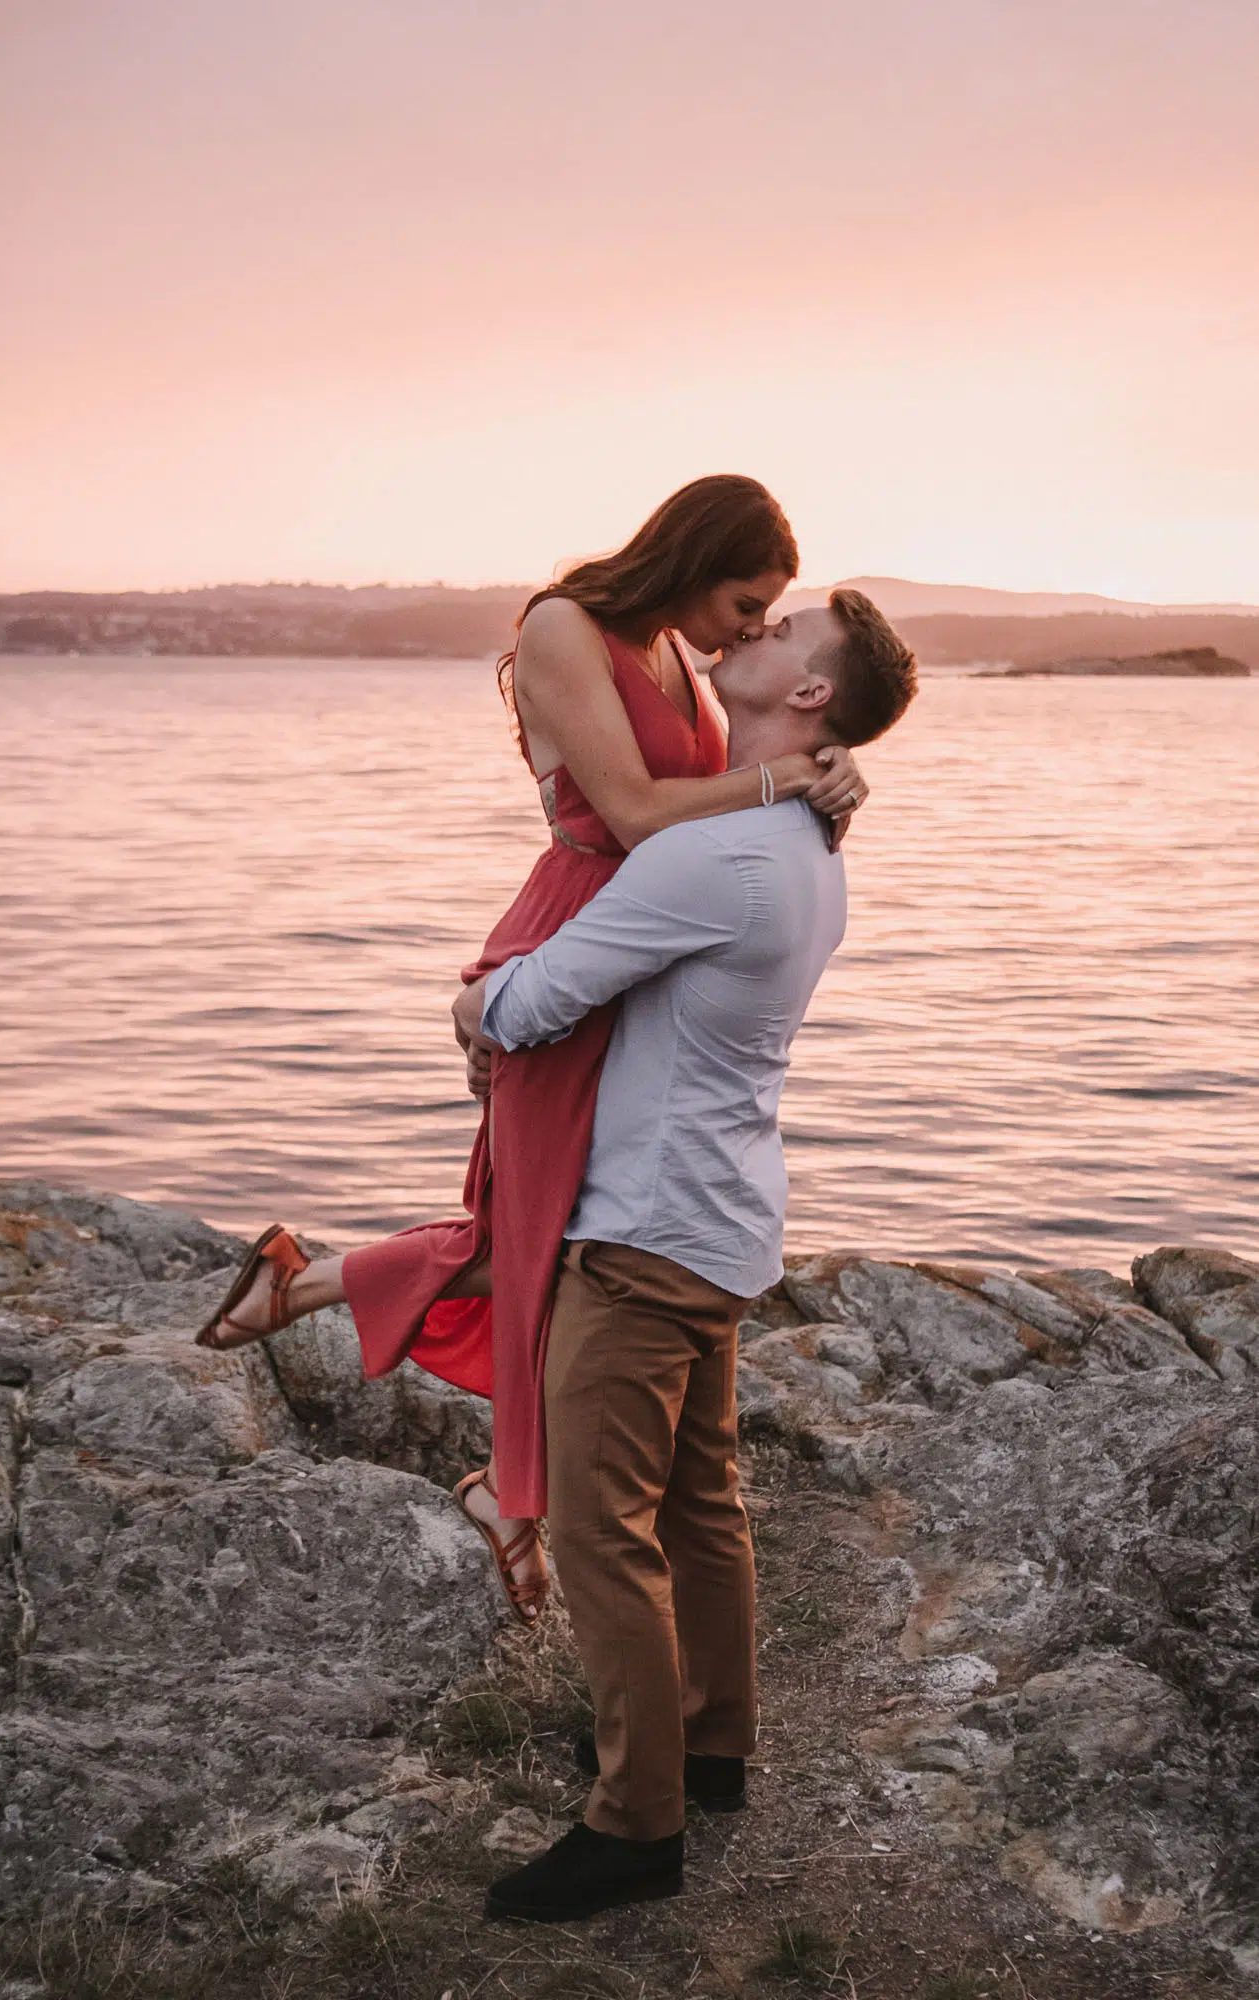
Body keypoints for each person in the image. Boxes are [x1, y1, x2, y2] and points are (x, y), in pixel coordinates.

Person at [194, 476, 868, 1624]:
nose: (752, 626)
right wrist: (782, 779)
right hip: (578, 941)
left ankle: (317, 1301)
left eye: (772, 614)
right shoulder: (566, 628)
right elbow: (640, 810)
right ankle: (501, 1483)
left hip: (644, 947)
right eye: (747, 599)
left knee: (561, 1230)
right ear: (695, 558)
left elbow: (716, 803)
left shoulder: (671, 654)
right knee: (547, 1228)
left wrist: (831, 777)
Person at [448, 592, 918, 1923]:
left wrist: (468, 998)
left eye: (784, 629)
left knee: (605, 1536)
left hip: (643, 1230)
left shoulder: (711, 855)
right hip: (722, 1219)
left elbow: (536, 1002)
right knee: (700, 1506)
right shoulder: (804, 841)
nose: (752, 633)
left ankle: (633, 1823)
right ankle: (710, 1753)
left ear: (809, 696)